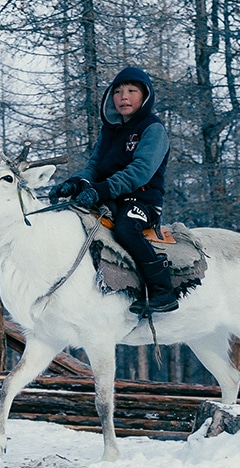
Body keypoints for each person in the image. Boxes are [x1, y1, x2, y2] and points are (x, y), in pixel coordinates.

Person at [48, 66, 178, 317]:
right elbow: (95, 166)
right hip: (108, 196)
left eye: (131, 91)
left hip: (143, 201)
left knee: (125, 228)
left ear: (145, 96)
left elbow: (140, 171)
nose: (123, 97)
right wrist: (76, 183)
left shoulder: (153, 129)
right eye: (117, 91)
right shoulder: (110, 129)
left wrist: (100, 190)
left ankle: (163, 290)